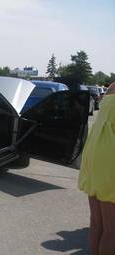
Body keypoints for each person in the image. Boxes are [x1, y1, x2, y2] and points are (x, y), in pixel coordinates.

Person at [78, 81, 115, 255]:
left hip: (95, 154)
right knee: (112, 230)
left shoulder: (112, 86)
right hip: (110, 160)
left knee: (97, 223)